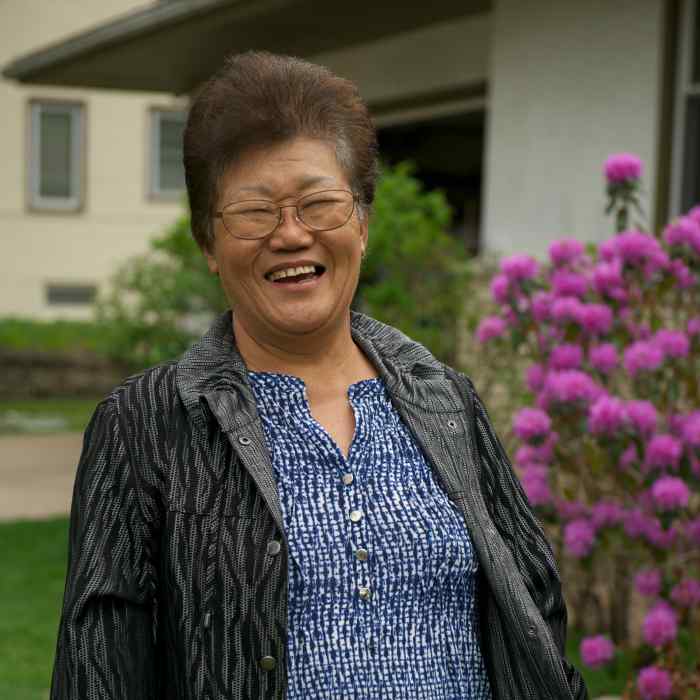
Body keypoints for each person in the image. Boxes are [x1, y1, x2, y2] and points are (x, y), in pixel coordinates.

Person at [50, 51, 588, 700]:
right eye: (254, 212)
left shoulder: (445, 400)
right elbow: (98, 669)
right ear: (208, 244)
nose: (291, 234)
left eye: (319, 204)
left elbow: (535, 613)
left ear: (360, 224)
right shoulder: (146, 423)